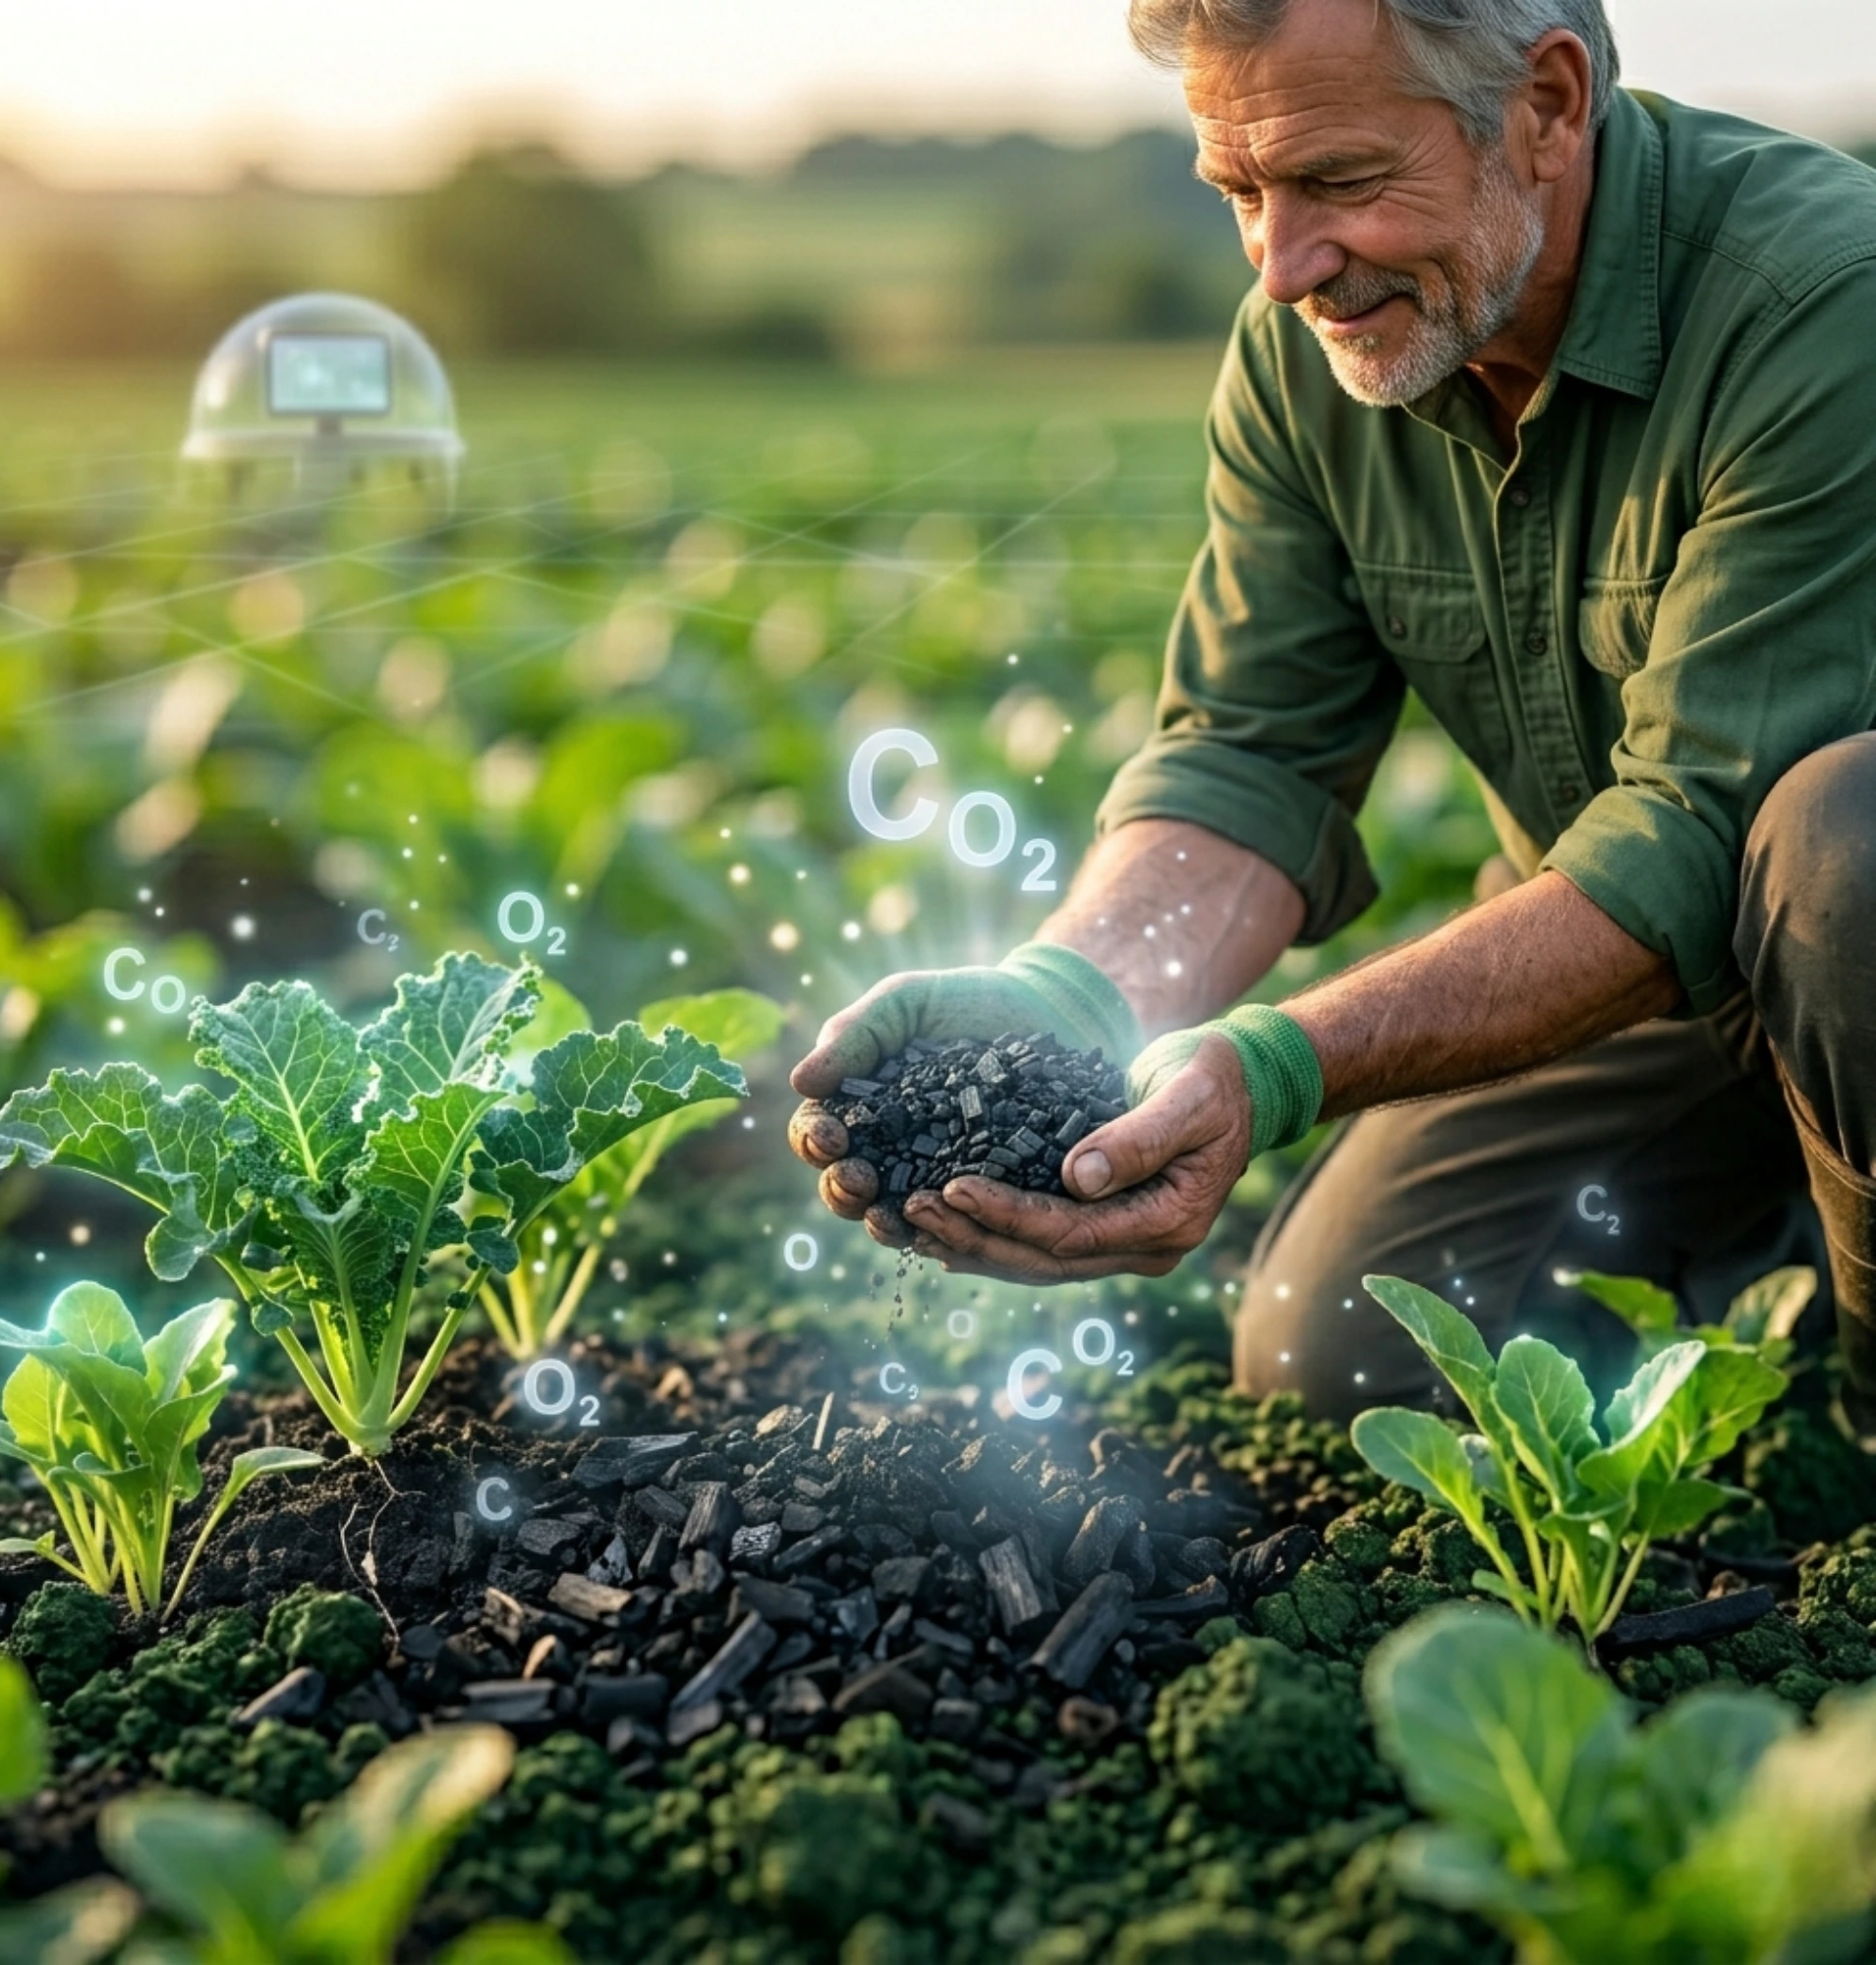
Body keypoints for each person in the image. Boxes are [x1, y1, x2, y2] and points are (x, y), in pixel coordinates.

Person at [788, 0, 1876, 1425]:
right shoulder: (1314, 355)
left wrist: (1282, 1063)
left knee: (1845, 840)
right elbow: (1250, 754)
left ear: (1547, 107)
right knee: (1345, 1362)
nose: (1286, 265)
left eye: (1341, 182)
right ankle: (1792, 1229)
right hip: (1662, 989)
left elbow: (1698, 835)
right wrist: (1069, 997)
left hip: (1830, 939)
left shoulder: (1820, 294)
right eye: (1240, 192)